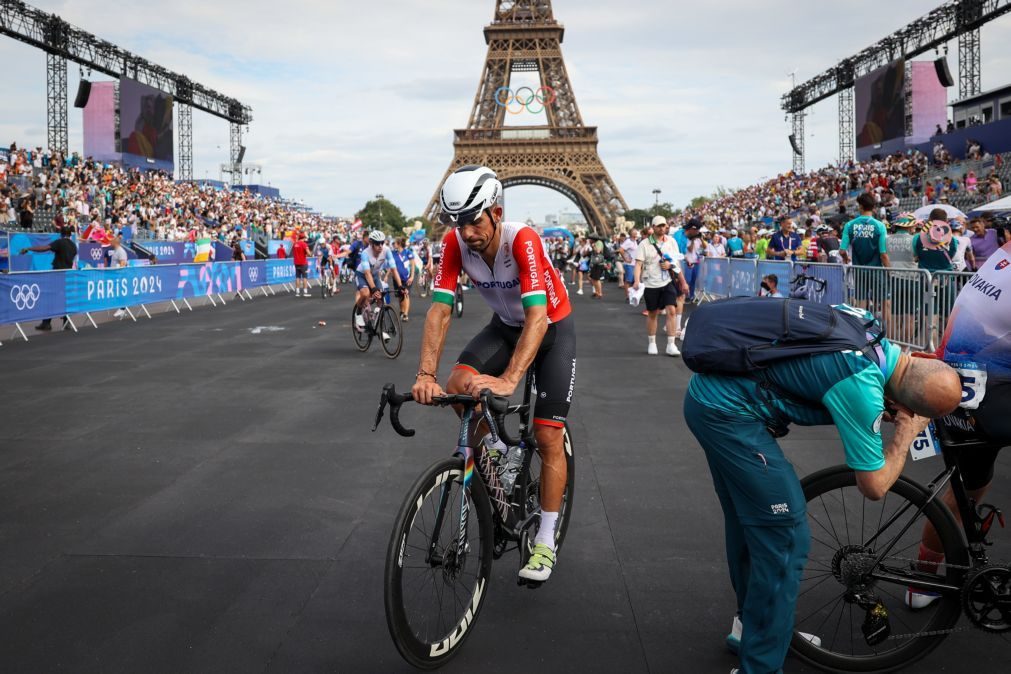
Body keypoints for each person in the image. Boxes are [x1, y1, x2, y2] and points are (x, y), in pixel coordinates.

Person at [684, 302, 962, 674]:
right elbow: (875, 486)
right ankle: (761, 667)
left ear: (919, 356)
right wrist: (904, 437)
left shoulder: (867, 325)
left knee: (749, 523)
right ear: (905, 406)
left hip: (709, 397)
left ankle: (752, 628)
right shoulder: (861, 386)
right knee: (784, 537)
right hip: (729, 416)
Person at [412, 165, 575, 584]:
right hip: (505, 326)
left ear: (496, 211)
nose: (466, 233)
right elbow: (439, 309)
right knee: (456, 386)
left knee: (546, 434)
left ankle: (546, 539)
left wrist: (507, 380)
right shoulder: (454, 244)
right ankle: (499, 456)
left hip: (551, 328)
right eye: (457, 223)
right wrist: (425, 373)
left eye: (474, 221)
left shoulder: (522, 239)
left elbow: (538, 317)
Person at [907, 235, 1011, 609]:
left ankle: (922, 580)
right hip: (991, 396)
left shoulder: (1000, 256)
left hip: (957, 387)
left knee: (967, 490)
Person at [633, 216, 690, 355]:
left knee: (671, 310)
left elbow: (676, 263)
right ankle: (652, 342)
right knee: (653, 313)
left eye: (663, 225)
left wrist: (683, 281)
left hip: (667, 282)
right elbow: (639, 264)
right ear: (653, 227)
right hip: (651, 283)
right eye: (658, 226)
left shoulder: (671, 241)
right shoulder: (644, 244)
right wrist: (636, 281)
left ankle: (671, 344)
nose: (661, 228)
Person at [20, 226, 76, 331]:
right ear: (70, 235)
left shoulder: (60, 242)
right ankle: (66, 323)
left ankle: (46, 323)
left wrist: (29, 248)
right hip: (68, 275)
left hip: (57, 274)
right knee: (65, 299)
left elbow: (44, 248)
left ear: (61, 234)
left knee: (50, 298)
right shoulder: (74, 246)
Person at [392, 237, 415, 322]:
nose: (393, 244)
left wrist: (412, 277)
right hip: (396, 278)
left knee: (406, 294)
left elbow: (413, 265)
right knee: (400, 295)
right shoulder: (393, 253)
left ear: (399, 244)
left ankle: (405, 314)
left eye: (395, 243)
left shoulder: (408, 252)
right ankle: (401, 311)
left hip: (407, 278)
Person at [291, 232, 311, 297]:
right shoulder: (304, 244)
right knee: (305, 277)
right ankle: (305, 292)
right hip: (303, 262)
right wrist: (310, 254)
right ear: (304, 238)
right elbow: (308, 253)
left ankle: (297, 292)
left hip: (296, 262)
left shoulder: (294, 244)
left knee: (297, 277)